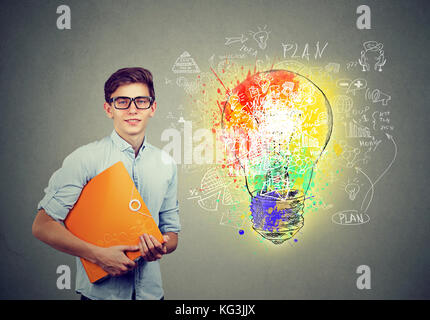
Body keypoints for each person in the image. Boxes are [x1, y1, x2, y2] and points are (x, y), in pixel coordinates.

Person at [32, 67, 180, 300]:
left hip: (152, 295)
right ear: (108, 109)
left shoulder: (166, 164)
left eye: (141, 101)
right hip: (100, 296)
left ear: (152, 108)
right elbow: (42, 225)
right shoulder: (84, 159)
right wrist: (98, 255)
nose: (132, 109)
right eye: (122, 101)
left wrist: (162, 246)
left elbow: (171, 233)